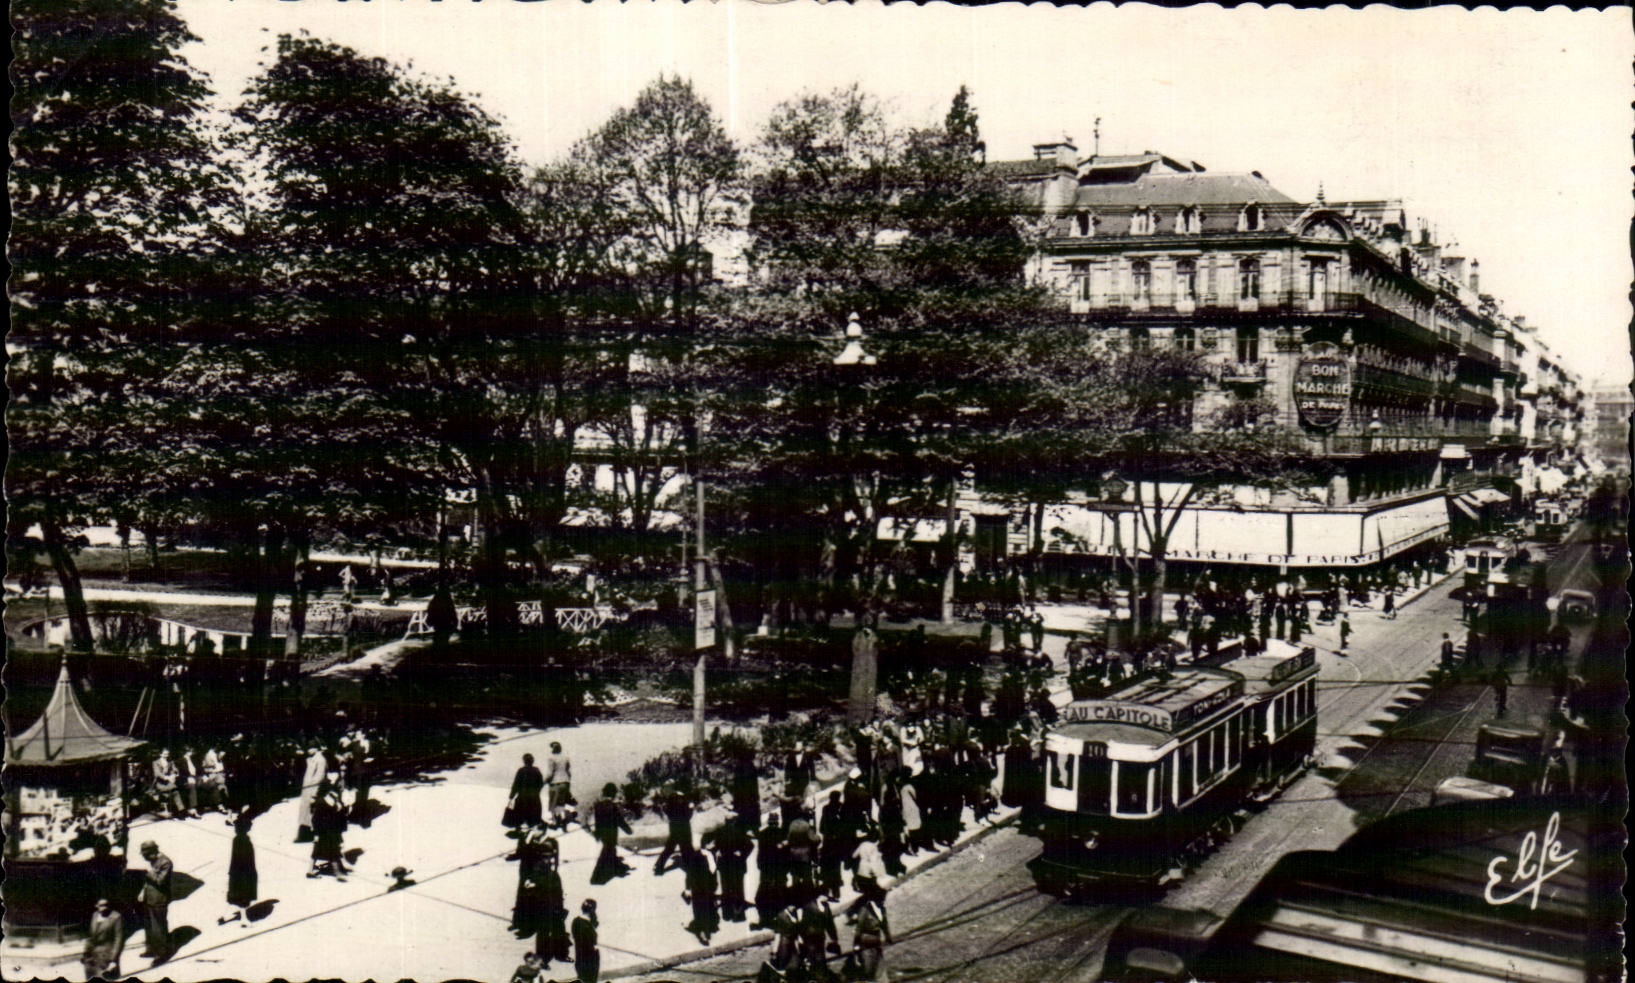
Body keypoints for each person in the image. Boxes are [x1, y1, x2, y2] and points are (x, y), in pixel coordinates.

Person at [137, 841, 174, 965]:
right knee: (148, 926)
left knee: (159, 927)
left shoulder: (166, 862)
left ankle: (161, 954)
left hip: (159, 899)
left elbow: (160, 881)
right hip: (149, 898)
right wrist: (143, 892)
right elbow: (148, 881)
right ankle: (151, 949)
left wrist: (149, 871)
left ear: (153, 852)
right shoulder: (152, 861)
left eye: (146, 856)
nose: (145, 859)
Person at [308, 770, 348, 879]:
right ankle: (337, 873)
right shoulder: (321, 803)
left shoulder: (334, 801)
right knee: (333, 851)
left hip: (331, 829)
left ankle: (310, 871)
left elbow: (339, 812)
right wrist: (316, 833)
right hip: (324, 831)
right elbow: (315, 819)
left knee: (318, 851)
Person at [219, 814, 258, 926]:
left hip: (236, 872)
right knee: (243, 897)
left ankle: (226, 917)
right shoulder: (244, 841)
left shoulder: (237, 839)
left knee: (235, 895)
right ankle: (244, 919)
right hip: (244, 873)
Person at [590, 784, 632, 885]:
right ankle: (597, 878)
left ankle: (616, 870)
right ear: (612, 794)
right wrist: (628, 830)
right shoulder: (612, 806)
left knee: (609, 852)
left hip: (603, 834)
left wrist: (597, 834)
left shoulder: (598, 805)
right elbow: (619, 820)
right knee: (607, 853)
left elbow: (597, 822)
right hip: (612, 833)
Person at [848, 893, 891, 983]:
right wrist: (856, 945)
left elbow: (884, 924)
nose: (882, 902)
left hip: (876, 940)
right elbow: (859, 929)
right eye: (881, 900)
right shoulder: (865, 910)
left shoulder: (882, 909)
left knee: (878, 963)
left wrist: (888, 936)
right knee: (868, 966)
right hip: (865, 940)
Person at [682, 848, 720, 945]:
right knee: (707, 908)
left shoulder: (697, 856)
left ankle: (703, 931)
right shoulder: (709, 855)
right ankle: (706, 930)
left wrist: (687, 890)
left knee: (700, 909)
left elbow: (689, 875)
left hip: (700, 888)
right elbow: (713, 871)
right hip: (706, 887)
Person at [82, 898, 124, 981]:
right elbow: (91, 936)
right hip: (93, 954)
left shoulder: (116, 917)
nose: (104, 908)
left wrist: (113, 960)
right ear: (96, 906)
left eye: (106, 905)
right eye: (101, 905)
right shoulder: (95, 915)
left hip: (107, 955)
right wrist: (85, 952)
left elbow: (118, 940)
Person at [507, 753, 545, 832]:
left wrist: (511, 795)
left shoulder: (521, 770)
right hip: (534, 796)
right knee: (534, 813)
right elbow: (541, 783)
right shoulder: (536, 770)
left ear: (524, 761)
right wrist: (537, 791)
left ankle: (518, 827)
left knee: (519, 810)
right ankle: (533, 826)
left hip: (522, 796)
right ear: (532, 761)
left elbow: (516, 784)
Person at [296, 744, 326, 843]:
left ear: (316, 748)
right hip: (306, 789)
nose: (309, 750)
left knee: (311, 812)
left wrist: (313, 790)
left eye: (311, 748)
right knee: (304, 812)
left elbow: (319, 777)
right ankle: (303, 834)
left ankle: (309, 834)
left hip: (312, 789)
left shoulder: (320, 760)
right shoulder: (310, 759)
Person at [543, 742, 572, 828]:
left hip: (555, 783)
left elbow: (549, 774)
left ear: (553, 749)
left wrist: (543, 782)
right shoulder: (566, 758)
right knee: (561, 803)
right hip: (565, 782)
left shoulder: (551, 759)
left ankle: (555, 822)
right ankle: (562, 820)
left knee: (553, 803)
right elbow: (568, 770)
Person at [572, 899, 600, 983]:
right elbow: (593, 939)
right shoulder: (586, 925)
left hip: (580, 959)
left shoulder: (576, 921)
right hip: (589, 960)